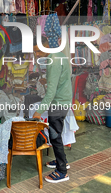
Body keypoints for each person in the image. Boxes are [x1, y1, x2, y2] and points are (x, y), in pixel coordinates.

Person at [33, 37, 72, 183]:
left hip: (58, 103)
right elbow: (61, 79)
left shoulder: (53, 60)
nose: (36, 54)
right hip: (64, 99)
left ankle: (62, 171)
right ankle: (62, 161)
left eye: (38, 50)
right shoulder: (59, 54)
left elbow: (51, 93)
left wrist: (39, 110)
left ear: (48, 45)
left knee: (55, 136)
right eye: (34, 51)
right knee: (57, 134)